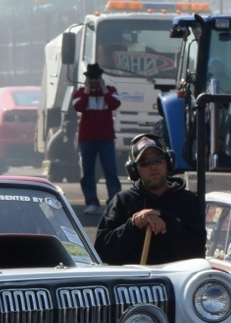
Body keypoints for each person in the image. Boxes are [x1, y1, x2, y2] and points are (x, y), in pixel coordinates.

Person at [94, 134, 205, 265]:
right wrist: (133, 225)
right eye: (145, 163)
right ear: (134, 171)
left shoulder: (188, 201)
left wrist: (167, 222)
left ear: (168, 162)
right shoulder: (122, 201)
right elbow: (101, 252)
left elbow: (197, 251)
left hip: (175, 281)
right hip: (135, 283)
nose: (153, 167)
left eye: (158, 160)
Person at [71, 63, 121, 216]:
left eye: (96, 78)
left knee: (110, 171)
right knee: (88, 172)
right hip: (87, 138)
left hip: (106, 138)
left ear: (101, 78)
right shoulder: (80, 93)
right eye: (91, 78)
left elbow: (115, 104)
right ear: (86, 79)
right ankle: (91, 202)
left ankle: (114, 201)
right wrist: (87, 90)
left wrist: (103, 89)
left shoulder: (111, 92)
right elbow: (79, 107)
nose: (94, 80)